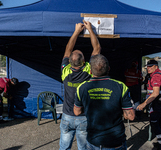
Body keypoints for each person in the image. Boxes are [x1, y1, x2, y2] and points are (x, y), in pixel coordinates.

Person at [74, 54, 135, 150]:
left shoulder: (82, 88)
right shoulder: (120, 86)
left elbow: (76, 112)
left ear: (90, 71)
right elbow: (130, 116)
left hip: (94, 141)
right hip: (115, 142)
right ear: (109, 68)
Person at [60, 20, 101, 150]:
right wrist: (90, 30)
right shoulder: (88, 70)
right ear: (84, 61)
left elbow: (68, 50)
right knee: (83, 148)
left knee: (64, 147)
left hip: (67, 116)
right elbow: (97, 49)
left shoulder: (65, 71)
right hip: (83, 117)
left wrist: (76, 31)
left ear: (69, 61)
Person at [137, 59, 161, 150]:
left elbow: (155, 93)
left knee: (153, 122)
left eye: (151, 67)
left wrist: (144, 104)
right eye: (147, 67)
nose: (148, 69)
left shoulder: (156, 76)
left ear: (156, 66)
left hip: (156, 102)